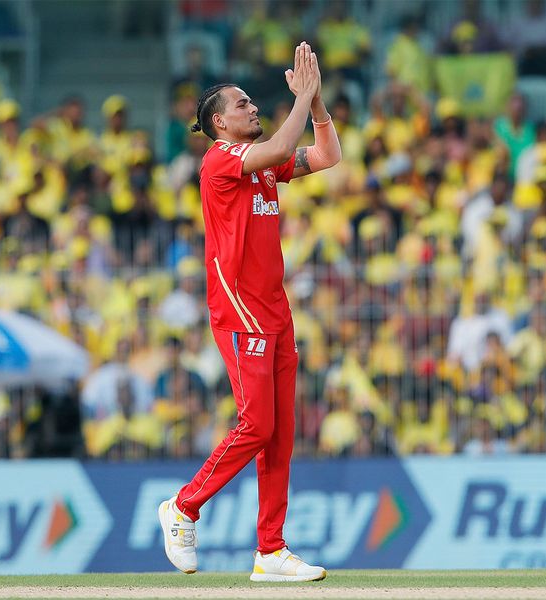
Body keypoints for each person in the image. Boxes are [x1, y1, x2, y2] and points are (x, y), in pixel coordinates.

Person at [158, 42, 341, 582]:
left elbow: (326, 156)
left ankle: (271, 550)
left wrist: (317, 104)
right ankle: (183, 507)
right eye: (242, 104)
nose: (253, 106)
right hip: (241, 313)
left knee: (279, 433)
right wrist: (301, 97)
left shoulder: (262, 167)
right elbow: (284, 143)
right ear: (219, 122)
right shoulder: (221, 159)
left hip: (275, 312)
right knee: (257, 423)